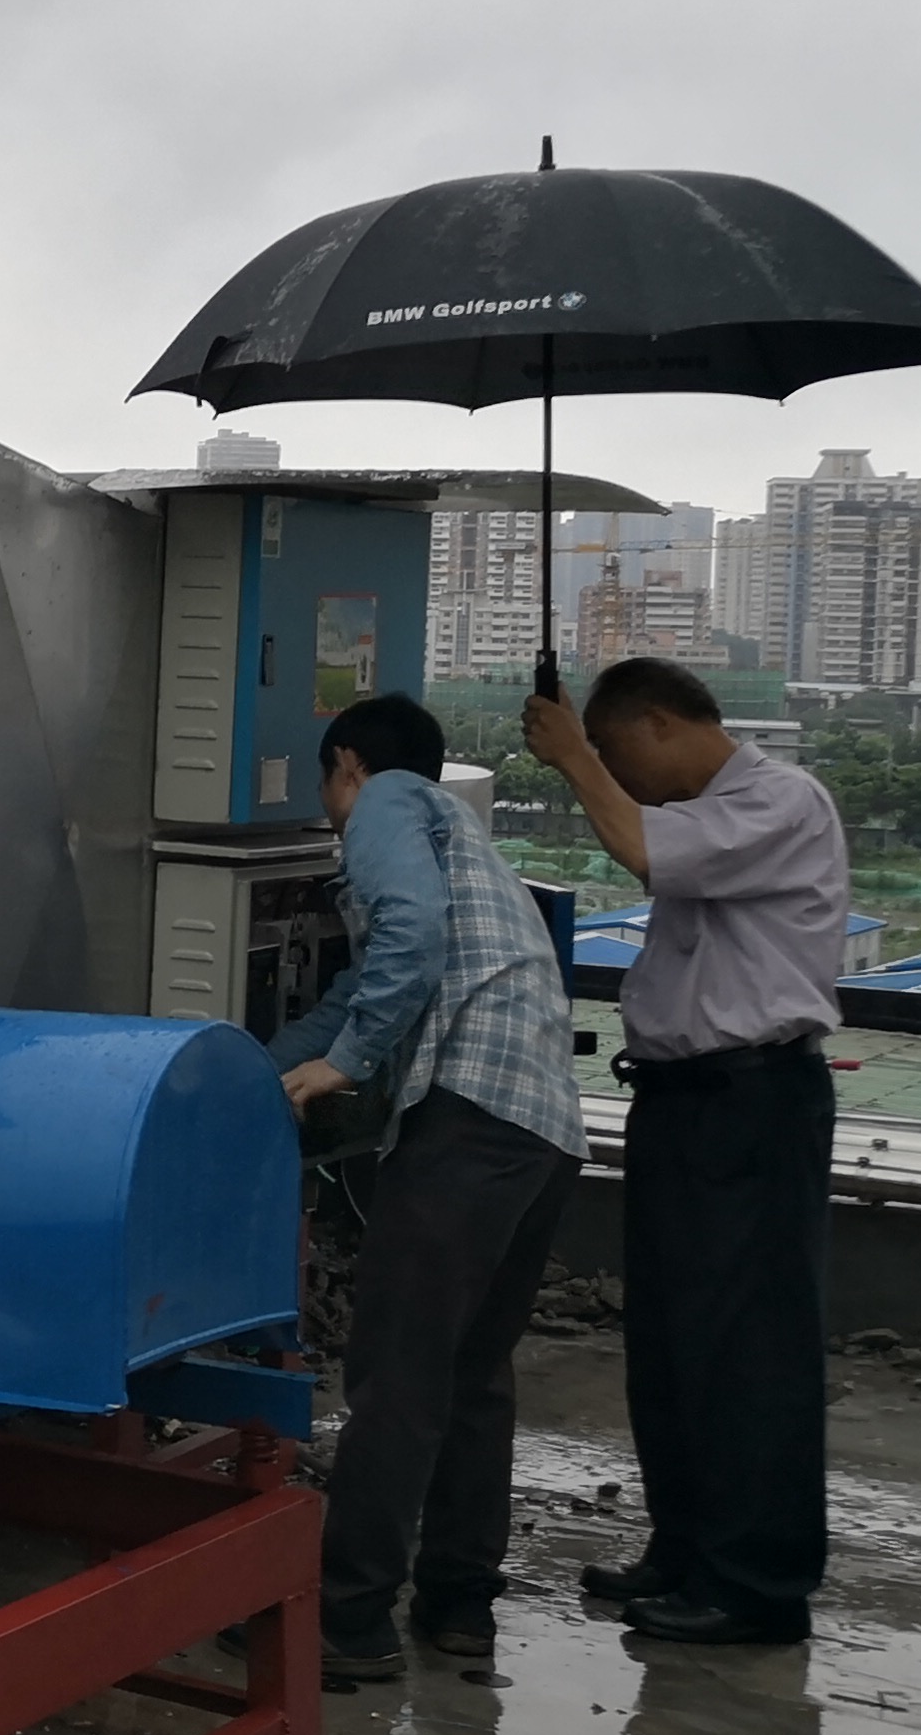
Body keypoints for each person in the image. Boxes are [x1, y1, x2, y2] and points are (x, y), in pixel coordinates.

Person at [264, 690, 588, 1681]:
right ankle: (457, 1605)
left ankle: (347, 1620)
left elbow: (405, 936)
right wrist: (251, 1070)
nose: (330, 813)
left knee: (396, 1375)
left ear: (346, 765)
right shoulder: (461, 838)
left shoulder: (387, 802)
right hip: (539, 1128)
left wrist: (346, 1064)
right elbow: (356, 990)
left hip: (468, 1118)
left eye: (326, 788)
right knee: (470, 1375)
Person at [525, 656, 848, 1647]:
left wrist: (572, 756)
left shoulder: (779, 801)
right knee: (671, 1344)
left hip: (751, 1105)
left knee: (745, 1347)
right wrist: (586, 757)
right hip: (684, 1105)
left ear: (660, 723)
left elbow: (641, 851)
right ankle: (687, 1549)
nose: (618, 775)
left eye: (620, 751)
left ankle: (755, 1584)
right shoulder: (712, 816)